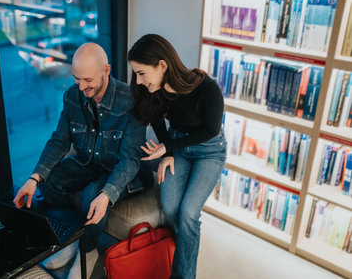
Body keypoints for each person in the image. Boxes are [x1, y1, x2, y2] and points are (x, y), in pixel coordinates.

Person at [13, 43, 150, 278]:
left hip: (121, 171)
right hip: (88, 164)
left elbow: (130, 160)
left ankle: (88, 249)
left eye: (88, 80)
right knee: (48, 181)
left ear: (106, 70)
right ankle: (75, 238)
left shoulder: (131, 102)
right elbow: (59, 141)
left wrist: (106, 194)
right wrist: (34, 178)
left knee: (91, 196)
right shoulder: (71, 97)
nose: (81, 86)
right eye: (77, 79)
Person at [128, 34, 226, 279]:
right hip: (178, 149)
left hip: (210, 150)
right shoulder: (155, 89)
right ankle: (184, 245)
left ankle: (182, 276)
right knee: (171, 208)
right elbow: (156, 118)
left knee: (189, 212)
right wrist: (169, 152)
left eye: (141, 73)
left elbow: (211, 130)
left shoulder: (207, 88)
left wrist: (168, 146)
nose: (139, 81)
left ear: (162, 65)